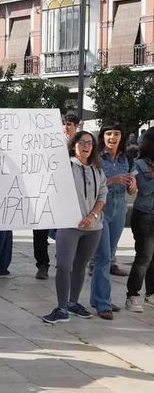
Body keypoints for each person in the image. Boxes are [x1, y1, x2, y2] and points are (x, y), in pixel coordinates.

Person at [42, 131, 107, 324]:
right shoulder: (65, 166)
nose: (87, 146)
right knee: (63, 265)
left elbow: (102, 194)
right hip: (68, 225)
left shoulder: (97, 168)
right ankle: (61, 308)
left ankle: (73, 303)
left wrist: (93, 215)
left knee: (81, 266)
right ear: (74, 145)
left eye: (90, 143)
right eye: (82, 143)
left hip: (93, 227)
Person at [90, 123, 136, 319]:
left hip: (119, 211)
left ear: (121, 137)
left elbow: (132, 191)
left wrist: (133, 185)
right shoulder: (97, 158)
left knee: (108, 256)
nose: (112, 137)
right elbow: (91, 185)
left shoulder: (127, 159)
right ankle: (103, 303)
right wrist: (112, 180)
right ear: (103, 137)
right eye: (108, 133)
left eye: (116, 133)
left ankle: (98, 298)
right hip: (101, 210)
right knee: (103, 257)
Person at [126, 129, 154, 312]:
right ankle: (133, 295)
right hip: (144, 215)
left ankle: (150, 293)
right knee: (144, 256)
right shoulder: (139, 164)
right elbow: (144, 190)